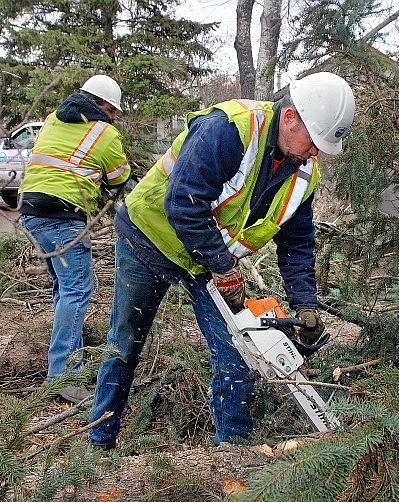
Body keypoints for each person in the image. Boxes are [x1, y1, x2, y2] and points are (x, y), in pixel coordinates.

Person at [88, 71, 355, 449]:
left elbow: (297, 245)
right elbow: (183, 203)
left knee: (236, 351)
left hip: (205, 260)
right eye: (314, 141)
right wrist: (224, 266)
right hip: (149, 237)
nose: (315, 153)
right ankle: (98, 446)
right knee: (125, 344)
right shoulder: (230, 129)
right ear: (291, 116)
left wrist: (305, 303)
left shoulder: (304, 174)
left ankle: (233, 452)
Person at [19, 75, 131, 404]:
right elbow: (120, 176)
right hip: (64, 216)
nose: (113, 118)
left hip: (31, 212)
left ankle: (63, 366)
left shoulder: (54, 118)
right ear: (103, 106)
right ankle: (64, 376)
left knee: (62, 289)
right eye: (113, 111)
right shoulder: (105, 133)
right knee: (77, 291)